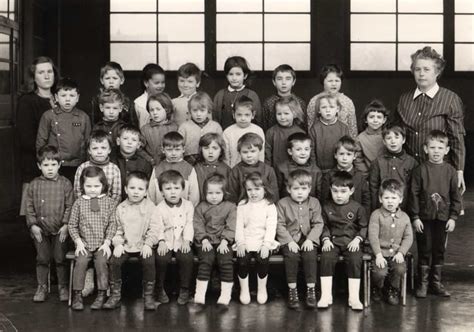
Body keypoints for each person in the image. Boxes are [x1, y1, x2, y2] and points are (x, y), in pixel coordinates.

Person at [394, 46, 466, 197]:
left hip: (438, 171)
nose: (421, 74)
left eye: (426, 69)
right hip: (409, 172)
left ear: (437, 72)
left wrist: (459, 170)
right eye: (417, 69)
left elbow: (456, 138)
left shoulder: (450, 99)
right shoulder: (404, 99)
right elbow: (397, 136)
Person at [410, 130, 462, 298]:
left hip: (442, 218)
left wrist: (453, 217)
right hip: (424, 218)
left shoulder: (450, 171)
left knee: (439, 249)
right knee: (424, 249)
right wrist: (415, 217)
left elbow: (456, 196)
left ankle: (435, 283)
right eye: (432, 147)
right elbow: (414, 194)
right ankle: (423, 284)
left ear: (446, 150)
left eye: (440, 147)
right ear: (425, 149)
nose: (436, 151)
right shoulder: (420, 170)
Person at [103, 172, 159, 311]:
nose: (136, 192)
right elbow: (118, 230)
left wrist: (148, 244)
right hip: (126, 245)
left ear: (146, 192)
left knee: (149, 261)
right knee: (114, 261)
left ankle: (148, 296)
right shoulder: (121, 208)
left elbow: (155, 228)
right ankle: (115, 296)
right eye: (132, 188)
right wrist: (118, 244)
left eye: (140, 189)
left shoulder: (151, 207)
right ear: (126, 189)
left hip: (143, 245)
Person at [26, 145, 74, 303]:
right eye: (46, 165)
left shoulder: (65, 184)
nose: (50, 169)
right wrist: (33, 225)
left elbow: (70, 206)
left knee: (60, 259)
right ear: (39, 166)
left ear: (59, 165)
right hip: (40, 230)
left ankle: (63, 286)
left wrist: (66, 225)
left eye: (54, 164)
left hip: (60, 230)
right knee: (42, 258)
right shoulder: (34, 185)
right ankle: (42, 287)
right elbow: (29, 207)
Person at [68, 166, 117, 311]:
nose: (93, 189)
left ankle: (101, 294)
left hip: (102, 245)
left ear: (103, 185)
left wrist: (107, 243)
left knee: (102, 262)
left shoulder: (109, 202)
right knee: (81, 262)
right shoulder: (79, 203)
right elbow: (72, 225)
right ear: (82, 186)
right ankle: (77, 295)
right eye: (88, 186)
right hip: (84, 244)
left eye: (97, 186)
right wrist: (78, 242)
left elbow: (113, 224)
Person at [318, 171, 367, 311]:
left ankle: (354, 297)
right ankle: (326, 296)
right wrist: (326, 240)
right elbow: (323, 225)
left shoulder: (358, 208)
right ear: (330, 190)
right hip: (333, 242)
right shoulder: (326, 207)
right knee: (326, 257)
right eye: (335, 191)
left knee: (355, 259)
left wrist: (358, 240)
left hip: (351, 242)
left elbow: (363, 226)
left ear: (351, 191)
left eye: (343, 191)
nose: (338, 195)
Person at [17, 56, 58, 218]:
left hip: (59, 162)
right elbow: (26, 138)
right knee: (33, 216)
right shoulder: (27, 101)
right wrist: (47, 156)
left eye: (50, 71)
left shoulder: (62, 97)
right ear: (34, 77)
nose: (47, 76)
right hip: (36, 162)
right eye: (41, 72)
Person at [276, 170, 324, 309]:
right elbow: (279, 224)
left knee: (310, 255)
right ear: (288, 189)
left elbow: (318, 223)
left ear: (309, 189)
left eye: (304, 188)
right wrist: (289, 241)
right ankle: (293, 290)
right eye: (296, 188)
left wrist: (310, 240)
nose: (300, 192)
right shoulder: (283, 203)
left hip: (308, 238)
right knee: (291, 256)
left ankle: (311, 290)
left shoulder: (314, 202)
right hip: (290, 239)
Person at [193, 174, 237, 308]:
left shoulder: (230, 207)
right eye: (210, 193)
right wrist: (204, 240)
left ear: (224, 193)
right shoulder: (200, 207)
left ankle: (225, 295)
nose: (214, 196)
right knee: (206, 260)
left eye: (218, 193)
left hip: (223, 241)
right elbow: (198, 224)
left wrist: (225, 241)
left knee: (226, 262)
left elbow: (231, 225)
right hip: (205, 241)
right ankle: (199, 294)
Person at [36, 77, 91, 182]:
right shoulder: (48, 116)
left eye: (72, 95)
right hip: (55, 165)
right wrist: (45, 163)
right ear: (56, 97)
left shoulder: (83, 117)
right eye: (63, 95)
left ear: (77, 98)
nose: (67, 99)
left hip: (78, 165)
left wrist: (87, 165)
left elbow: (89, 143)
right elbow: (41, 142)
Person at [235, 172, 278, 305]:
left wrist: (266, 245)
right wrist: (241, 243)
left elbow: (271, 228)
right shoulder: (242, 205)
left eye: (257, 189)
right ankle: (244, 290)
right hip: (246, 239)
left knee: (262, 259)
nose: (253, 193)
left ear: (265, 189)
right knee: (242, 259)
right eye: (249, 189)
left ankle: (261, 289)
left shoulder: (269, 206)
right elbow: (238, 226)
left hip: (263, 240)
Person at [368, 179, 413, 305]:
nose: (390, 201)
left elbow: (408, 237)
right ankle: (376, 288)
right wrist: (378, 255)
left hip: (396, 254)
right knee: (379, 272)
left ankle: (393, 289)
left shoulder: (404, 217)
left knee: (399, 269)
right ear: (380, 199)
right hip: (380, 253)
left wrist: (401, 253)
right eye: (386, 197)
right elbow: (373, 236)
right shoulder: (376, 215)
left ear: (401, 199)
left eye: (394, 198)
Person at [154, 170, 195, 305]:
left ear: (182, 189)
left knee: (186, 258)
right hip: (166, 241)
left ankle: (185, 289)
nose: (173, 192)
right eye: (168, 189)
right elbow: (158, 226)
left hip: (182, 241)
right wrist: (161, 242)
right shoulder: (159, 208)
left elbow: (189, 224)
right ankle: (159, 288)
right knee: (161, 258)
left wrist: (187, 241)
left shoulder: (188, 206)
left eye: (176, 188)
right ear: (161, 191)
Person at [369, 125, 418, 212]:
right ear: (384, 141)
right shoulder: (377, 162)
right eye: (388, 138)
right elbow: (373, 188)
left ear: (403, 140)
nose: (393, 141)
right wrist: (374, 210)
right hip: (382, 210)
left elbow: (414, 190)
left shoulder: (412, 162)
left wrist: (413, 214)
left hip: (404, 210)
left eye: (396, 137)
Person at [147, 132, 199, 206]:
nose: (173, 153)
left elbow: (194, 195)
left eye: (177, 149)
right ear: (163, 150)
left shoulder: (189, 169)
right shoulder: (157, 168)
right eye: (169, 150)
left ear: (183, 149)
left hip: (183, 212)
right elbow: (151, 194)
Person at [321, 136, 370, 214]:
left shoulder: (359, 176)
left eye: (348, 154)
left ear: (354, 156)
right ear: (335, 155)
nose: (344, 158)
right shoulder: (329, 176)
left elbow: (366, 200)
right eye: (341, 154)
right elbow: (324, 200)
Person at [307, 64, 357, 137]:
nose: (334, 84)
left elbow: (353, 129)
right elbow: (310, 127)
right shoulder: (314, 101)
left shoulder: (347, 101)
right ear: (323, 81)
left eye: (337, 81)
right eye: (330, 81)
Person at [228, 133, 279, 204]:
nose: (249, 155)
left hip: (264, 208)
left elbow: (274, 194)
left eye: (253, 151)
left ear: (259, 150)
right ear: (239, 153)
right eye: (245, 152)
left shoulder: (268, 170)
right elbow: (232, 196)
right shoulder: (236, 171)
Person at [73, 130, 122, 204]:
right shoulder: (82, 167)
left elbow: (116, 194)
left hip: (107, 209)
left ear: (109, 150)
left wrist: (108, 208)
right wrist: (85, 207)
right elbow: (78, 191)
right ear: (89, 150)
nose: (99, 152)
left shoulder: (114, 169)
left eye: (103, 148)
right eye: (95, 148)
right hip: (85, 207)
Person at [213, 56, 262, 129]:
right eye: (231, 74)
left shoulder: (252, 95)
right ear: (226, 75)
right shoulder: (220, 95)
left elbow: (258, 120)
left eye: (238, 74)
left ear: (245, 75)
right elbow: (215, 118)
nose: (234, 78)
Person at [308, 93, 350, 172]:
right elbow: (312, 151)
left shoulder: (343, 128)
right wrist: (314, 168)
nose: (328, 110)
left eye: (331, 107)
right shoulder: (314, 129)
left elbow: (347, 148)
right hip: (320, 169)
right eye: (324, 107)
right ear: (319, 110)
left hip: (339, 169)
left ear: (337, 109)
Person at [178, 91, 223, 164]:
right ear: (190, 111)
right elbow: (179, 147)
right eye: (195, 110)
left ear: (208, 110)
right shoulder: (184, 127)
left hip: (211, 162)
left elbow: (221, 147)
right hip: (189, 162)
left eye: (202, 110)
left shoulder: (215, 127)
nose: (198, 114)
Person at [90, 61, 138, 127]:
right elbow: (93, 123)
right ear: (102, 80)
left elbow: (133, 126)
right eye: (107, 78)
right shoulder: (96, 100)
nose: (111, 82)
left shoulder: (127, 101)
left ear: (122, 80)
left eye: (115, 78)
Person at [111, 125, 153, 200]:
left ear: (138, 145)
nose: (129, 142)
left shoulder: (144, 164)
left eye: (134, 140)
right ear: (118, 141)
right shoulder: (111, 160)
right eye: (125, 138)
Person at [222, 95, 265, 168]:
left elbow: (261, 154)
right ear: (233, 114)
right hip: (234, 171)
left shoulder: (258, 130)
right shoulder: (228, 132)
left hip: (254, 171)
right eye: (239, 115)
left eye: (247, 115)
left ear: (253, 115)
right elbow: (226, 157)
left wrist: (260, 169)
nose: (243, 118)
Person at [276, 133, 322, 199]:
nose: (303, 153)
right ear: (290, 151)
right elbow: (277, 192)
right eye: (298, 149)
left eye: (306, 149)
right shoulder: (282, 168)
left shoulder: (316, 171)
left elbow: (319, 195)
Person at [262, 64, 307, 131]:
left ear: (293, 82)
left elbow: (304, 127)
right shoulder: (268, 103)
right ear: (274, 82)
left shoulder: (300, 102)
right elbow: (265, 126)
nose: (283, 82)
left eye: (288, 79)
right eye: (279, 79)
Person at [265, 96, 305, 168]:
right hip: (275, 171)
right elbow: (267, 155)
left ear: (295, 114)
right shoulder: (271, 132)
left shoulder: (300, 133)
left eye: (286, 113)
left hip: (294, 172)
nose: (282, 117)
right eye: (279, 114)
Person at [140, 93, 178, 164]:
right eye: (152, 110)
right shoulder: (145, 129)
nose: (155, 113)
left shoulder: (175, 127)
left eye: (158, 109)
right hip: (152, 165)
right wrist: (150, 159)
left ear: (167, 109)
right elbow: (139, 148)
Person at [355, 99, 388, 175]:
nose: (375, 120)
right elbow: (358, 159)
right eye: (371, 117)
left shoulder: (388, 136)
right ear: (365, 119)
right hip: (370, 175)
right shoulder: (360, 139)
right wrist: (366, 174)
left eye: (379, 117)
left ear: (384, 120)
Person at [194, 133, 231, 199]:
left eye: (215, 148)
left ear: (221, 151)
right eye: (206, 148)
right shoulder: (196, 168)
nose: (210, 152)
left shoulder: (226, 169)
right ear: (201, 150)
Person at [134, 63, 166, 129]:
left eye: (162, 82)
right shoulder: (138, 104)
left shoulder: (166, 101)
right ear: (146, 83)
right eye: (156, 83)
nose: (160, 86)